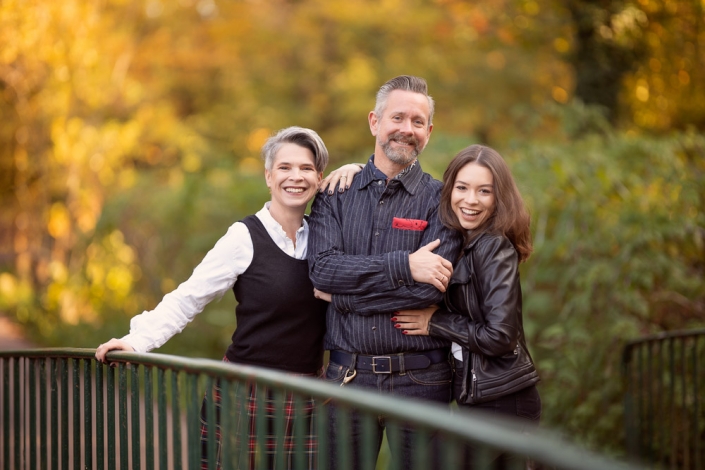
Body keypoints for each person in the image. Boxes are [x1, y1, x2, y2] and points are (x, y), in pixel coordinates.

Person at [95, 126, 358, 470]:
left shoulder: (326, 238)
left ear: (320, 178)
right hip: (244, 391)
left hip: (308, 394)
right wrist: (136, 341)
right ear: (268, 175)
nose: (296, 177)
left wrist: (358, 169)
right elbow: (188, 298)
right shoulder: (243, 236)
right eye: (285, 167)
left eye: (306, 168)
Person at [307, 75, 463, 469]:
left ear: (428, 131)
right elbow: (323, 271)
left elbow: (429, 292)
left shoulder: (442, 201)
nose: (406, 129)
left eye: (417, 122)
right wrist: (406, 265)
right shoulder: (335, 194)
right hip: (346, 378)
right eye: (398, 118)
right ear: (375, 122)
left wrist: (343, 296)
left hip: (421, 381)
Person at [394, 144, 541, 467]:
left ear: (498, 198)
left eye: (484, 191)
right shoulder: (464, 242)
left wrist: (436, 322)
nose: (470, 200)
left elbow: (501, 336)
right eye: (461, 188)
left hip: (503, 401)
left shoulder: (493, 247)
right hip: (480, 398)